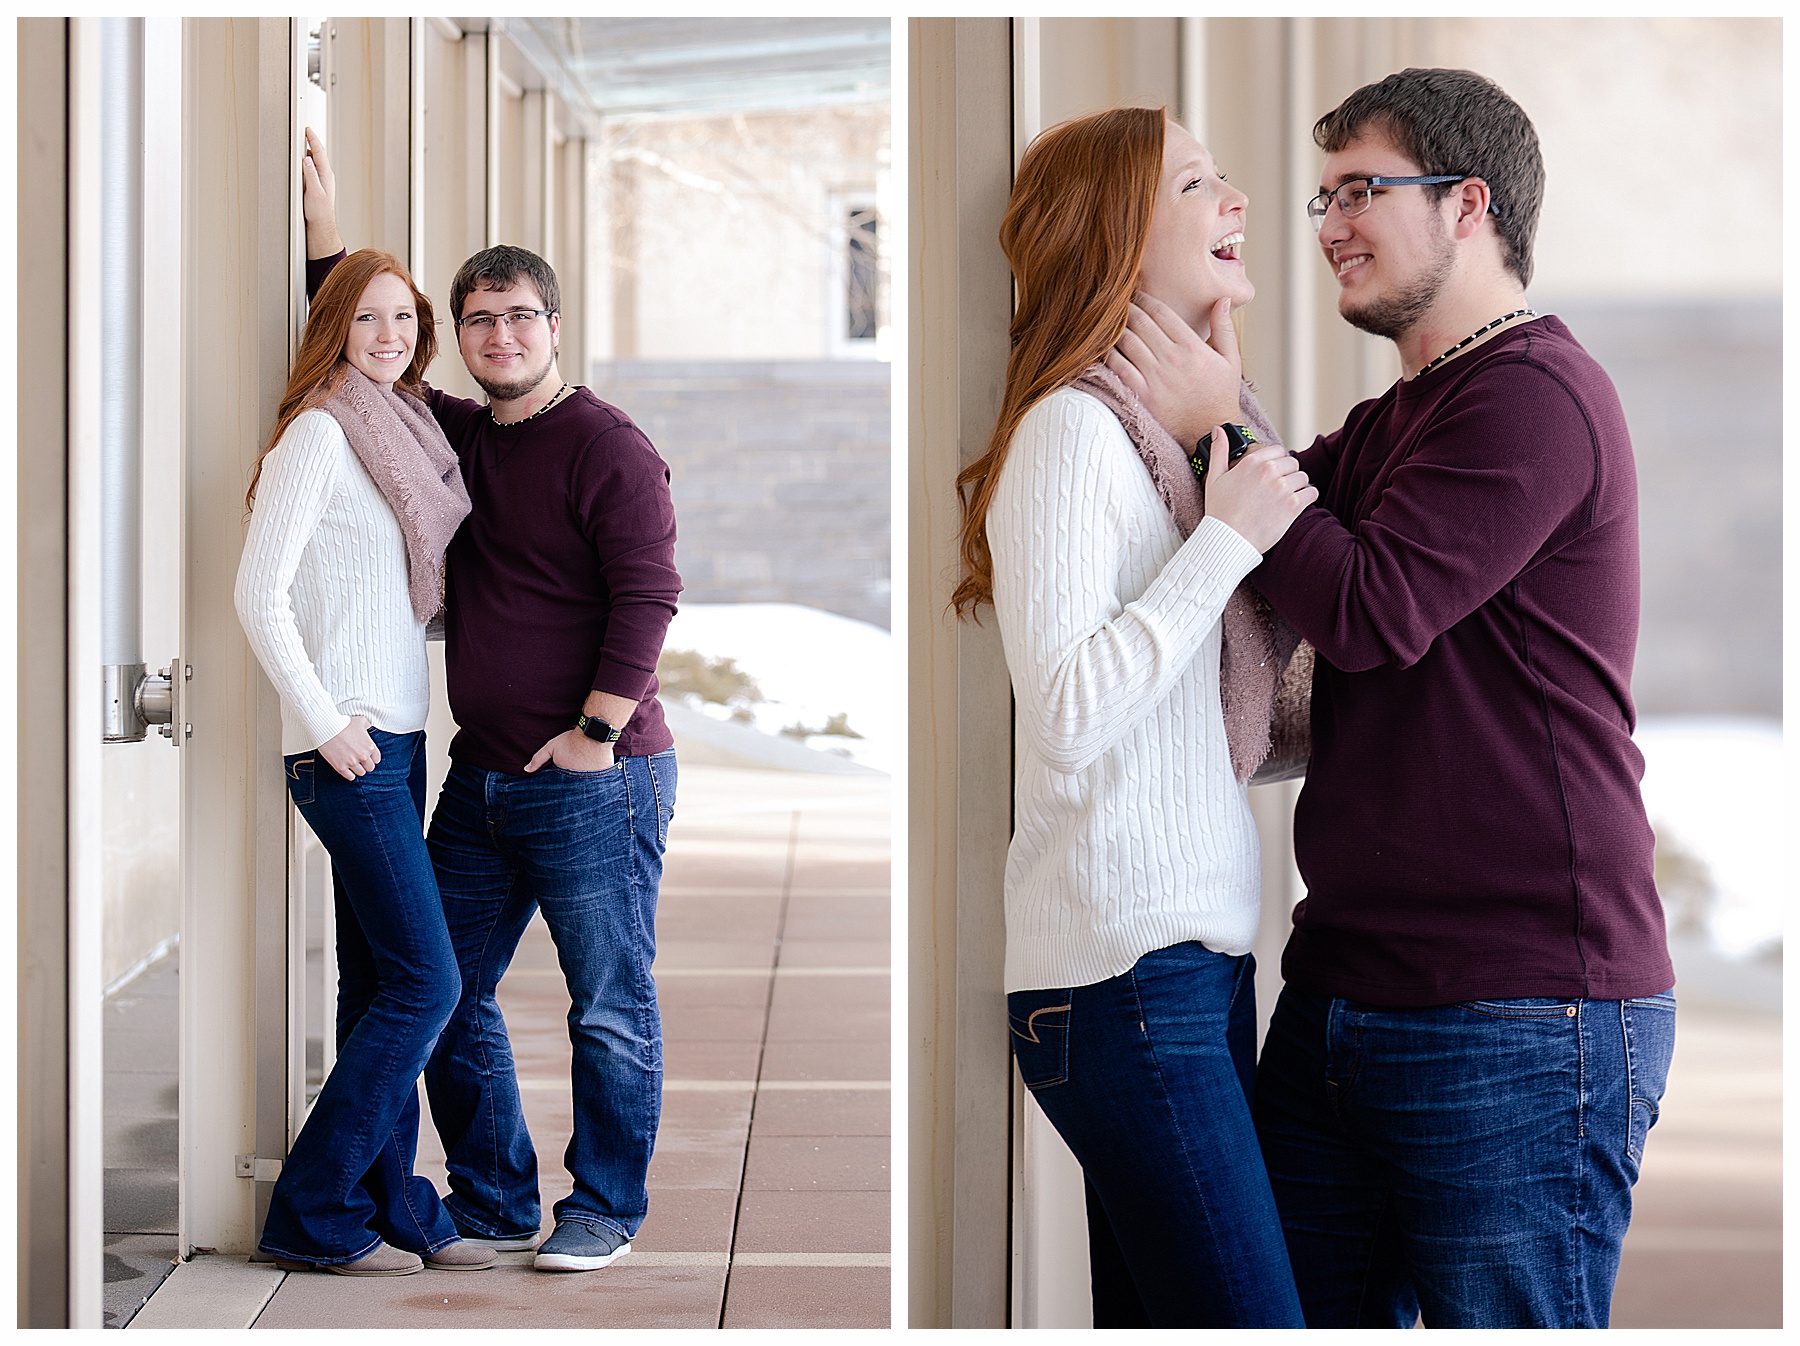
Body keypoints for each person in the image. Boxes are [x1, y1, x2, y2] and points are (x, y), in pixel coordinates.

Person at [1119, 69, 1676, 1328]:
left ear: (1470, 204)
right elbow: (1265, 512)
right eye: (1323, 195)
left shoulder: (1536, 397)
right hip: (1344, 996)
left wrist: (1222, 421)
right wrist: (1220, 381)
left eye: (1362, 189)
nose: (1326, 225)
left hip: (1526, 1015)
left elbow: (1365, 610)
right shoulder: (1401, 415)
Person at [953, 106, 1317, 1328]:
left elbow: (1193, 717)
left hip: (1192, 970)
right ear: (1117, 232)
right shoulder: (1072, 435)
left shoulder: (1175, 447)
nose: (1241, 201)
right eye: (1201, 183)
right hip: (1121, 982)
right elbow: (1066, 713)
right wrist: (1226, 541)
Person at [300, 130, 681, 1275]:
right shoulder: (453, 432)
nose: (500, 336)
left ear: (554, 326)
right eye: (477, 319)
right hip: (481, 776)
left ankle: (604, 1203)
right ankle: (498, 1193)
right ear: (457, 338)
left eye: (520, 315)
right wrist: (324, 225)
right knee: (444, 992)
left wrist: (597, 733)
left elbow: (650, 594)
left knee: (607, 1003)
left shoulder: (609, 446)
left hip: (592, 778)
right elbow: (364, 338)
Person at [234, 248, 495, 1277]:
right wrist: (321, 718)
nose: (389, 336)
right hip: (346, 747)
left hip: (396, 735)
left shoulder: (403, 428)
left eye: (404, 319)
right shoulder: (319, 433)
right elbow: (261, 594)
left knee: (375, 979)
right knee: (428, 983)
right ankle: (312, 1204)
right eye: (369, 317)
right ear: (334, 325)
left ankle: (391, 1202)